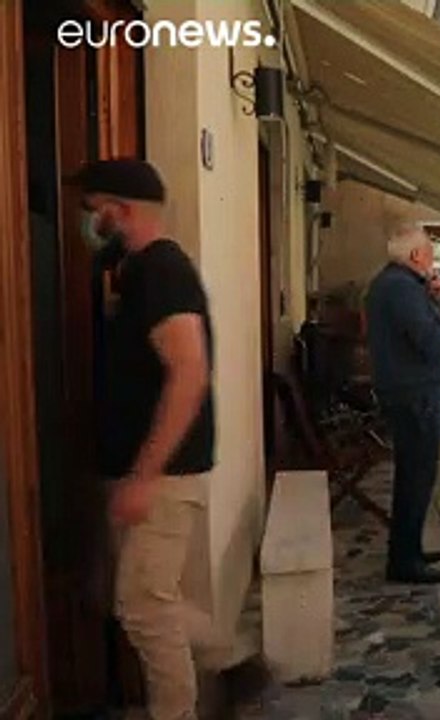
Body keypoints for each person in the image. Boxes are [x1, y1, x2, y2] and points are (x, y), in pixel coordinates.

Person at [77, 158, 218, 720]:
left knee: (142, 609)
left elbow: (188, 371)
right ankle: (234, 660)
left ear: (119, 210)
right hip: (147, 473)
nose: (88, 223)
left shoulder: (163, 272)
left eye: (92, 211)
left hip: (161, 476)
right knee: (150, 600)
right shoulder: (138, 269)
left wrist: (143, 476)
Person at [366, 223, 440, 585]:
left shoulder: (398, 286)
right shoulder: (400, 289)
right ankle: (404, 559)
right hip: (413, 393)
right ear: (417, 256)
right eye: (431, 254)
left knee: (417, 474)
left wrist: (433, 296)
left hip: (412, 390)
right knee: (416, 476)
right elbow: (430, 342)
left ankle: (410, 548)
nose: (434, 262)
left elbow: (419, 330)